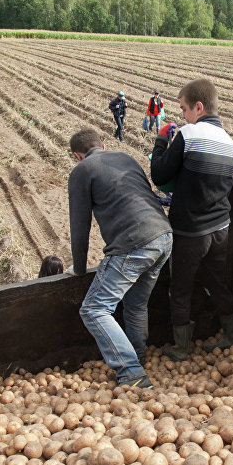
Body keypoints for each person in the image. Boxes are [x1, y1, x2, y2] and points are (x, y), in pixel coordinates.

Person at [68, 128, 173, 389]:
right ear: (102, 145)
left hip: (135, 243)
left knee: (94, 309)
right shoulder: (125, 157)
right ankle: (136, 356)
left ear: (77, 155)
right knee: (136, 304)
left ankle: (131, 372)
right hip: (163, 236)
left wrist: (79, 269)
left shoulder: (81, 171)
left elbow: (79, 226)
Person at [151, 78, 233, 360]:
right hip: (220, 229)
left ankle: (180, 347)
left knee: (180, 286)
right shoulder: (230, 145)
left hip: (191, 231)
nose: (182, 116)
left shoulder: (189, 134)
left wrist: (162, 140)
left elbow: (160, 175)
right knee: (216, 281)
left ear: (198, 107)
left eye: (183, 109)